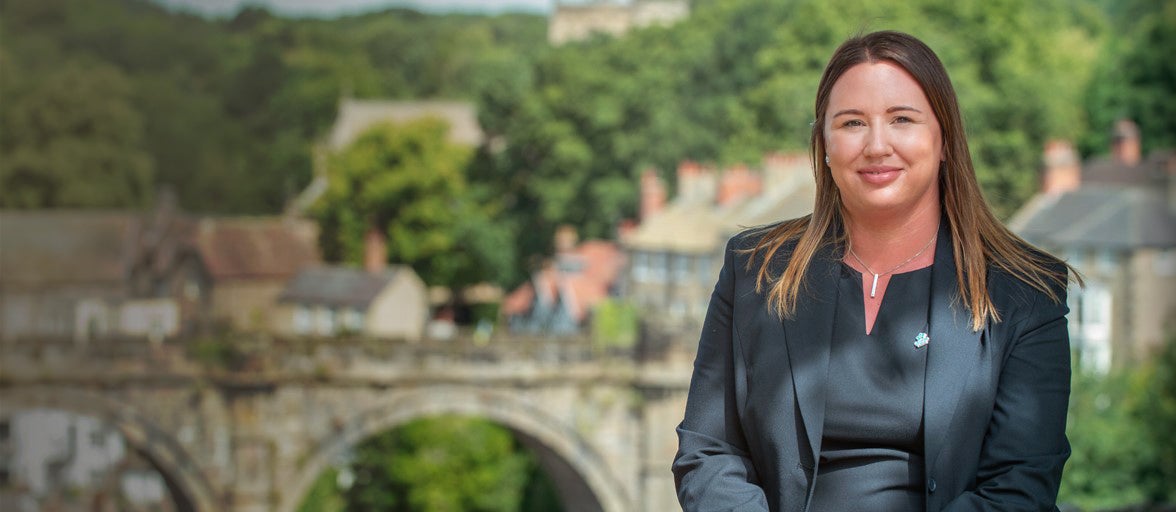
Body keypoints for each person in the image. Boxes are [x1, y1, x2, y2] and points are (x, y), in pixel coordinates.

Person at [672, 30, 1078, 511]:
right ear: (824, 144)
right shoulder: (755, 270)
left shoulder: (1024, 291)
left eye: (902, 119)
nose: (876, 145)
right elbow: (709, 451)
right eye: (851, 123)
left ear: (944, 139)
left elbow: (1020, 488)